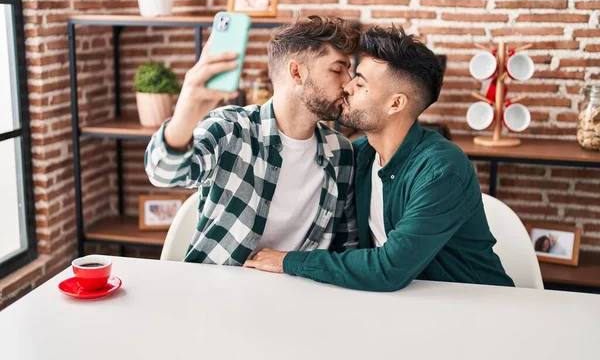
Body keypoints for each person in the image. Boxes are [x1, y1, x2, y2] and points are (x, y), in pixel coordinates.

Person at [245, 26, 515, 291]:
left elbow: (390, 268)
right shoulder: (357, 155)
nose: (347, 86)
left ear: (395, 104)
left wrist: (288, 261)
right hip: (402, 307)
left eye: (360, 83)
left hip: (477, 308)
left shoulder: (442, 170)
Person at [145, 16, 359, 265]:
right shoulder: (232, 129)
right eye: (337, 69)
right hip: (219, 291)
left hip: (301, 293)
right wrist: (184, 116)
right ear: (296, 72)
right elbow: (162, 173)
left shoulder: (341, 152)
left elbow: (346, 249)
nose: (348, 82)